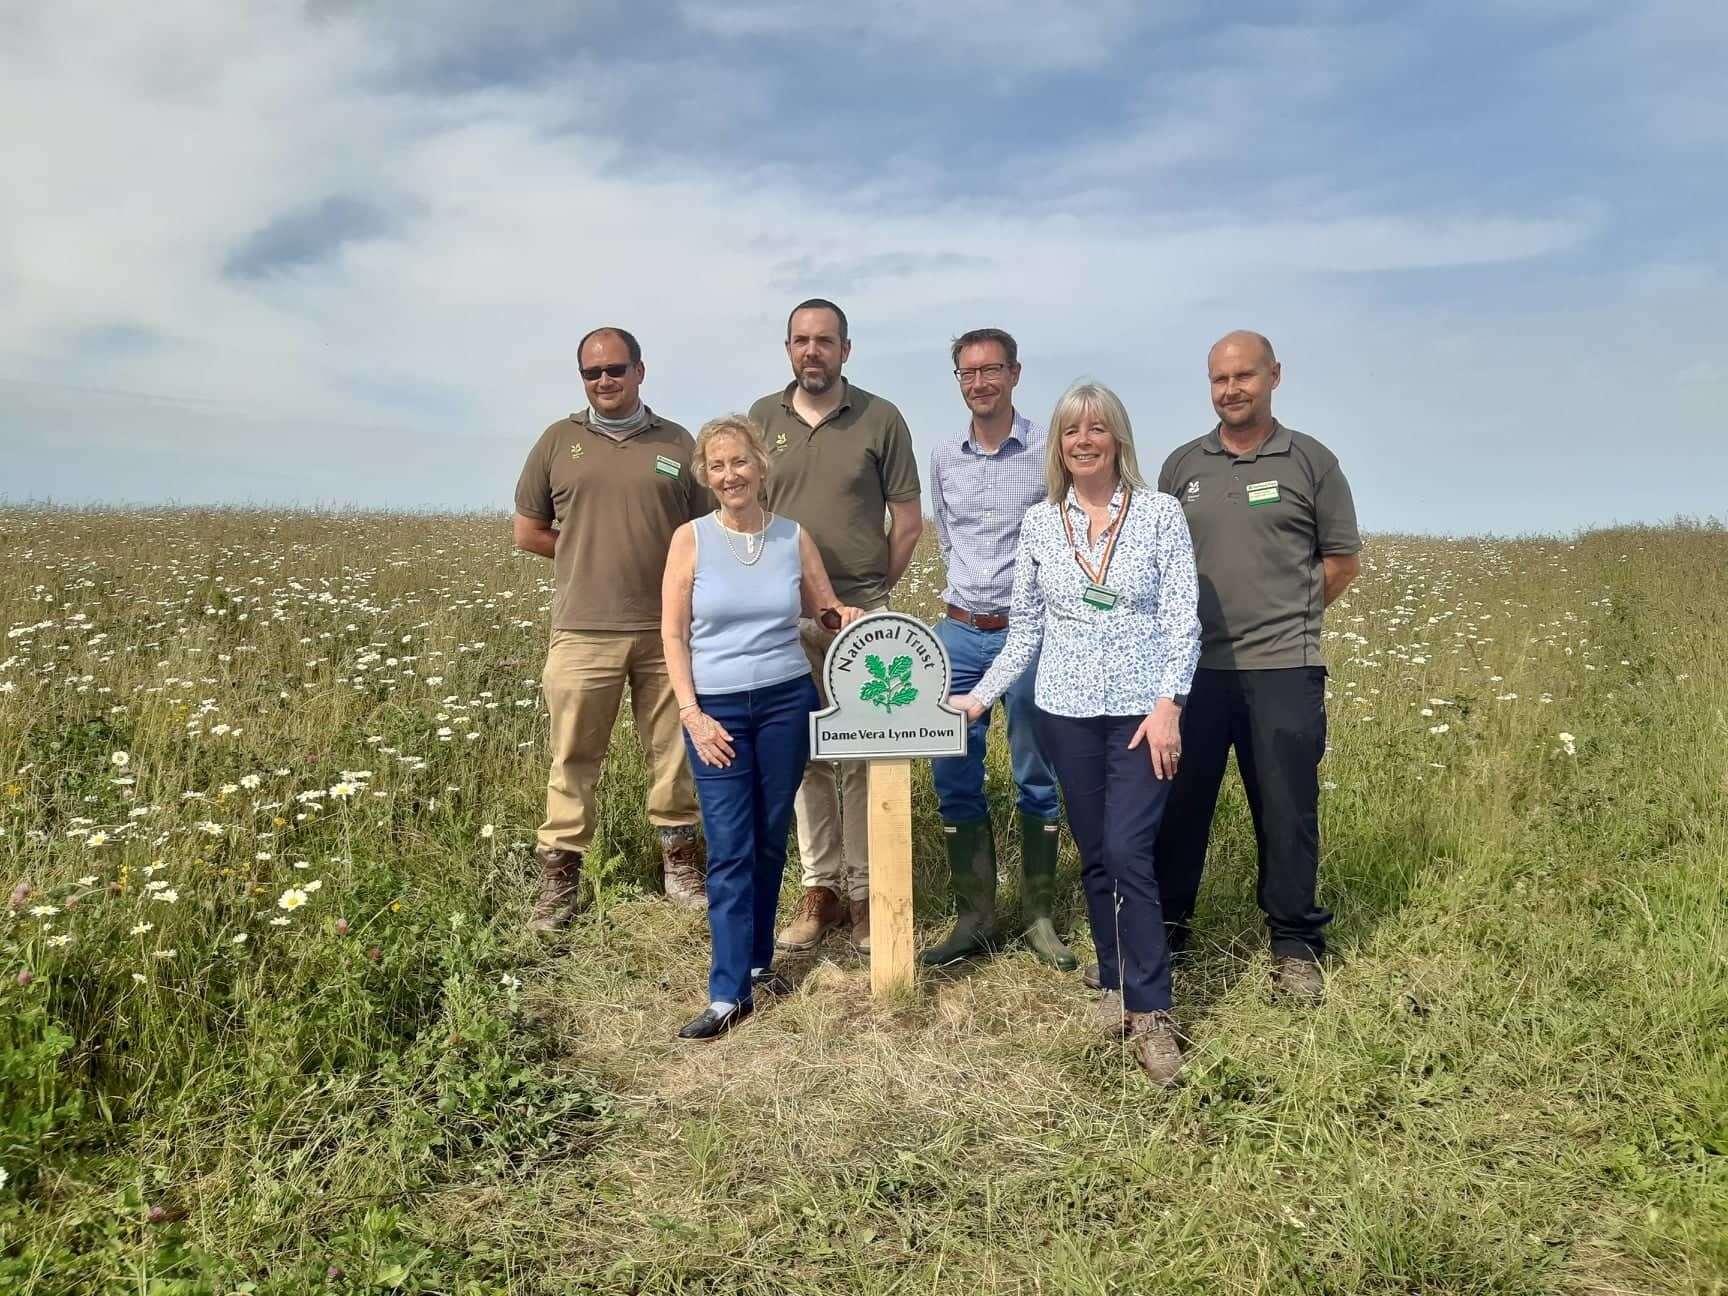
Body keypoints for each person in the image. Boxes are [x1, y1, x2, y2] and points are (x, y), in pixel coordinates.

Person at [951, 380, 1200, 1088]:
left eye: (1096, 429)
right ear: (1058, 446)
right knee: (1095, 853)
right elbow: (1026, 628)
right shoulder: (1040, 525)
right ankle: (1114, 983)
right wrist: (980, 698)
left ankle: (1153, 1014)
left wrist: (1168, 705)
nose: (1083, 441)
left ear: (1118, 437)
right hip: (1065, 711)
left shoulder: (1159, 516)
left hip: (1140, 715)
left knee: (1129, 852)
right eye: (1070, 432)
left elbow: (1184, 620)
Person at [1153, 331, 1360, 1003]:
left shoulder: (1310, 463)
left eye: (1245, 376)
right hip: (1194, 674)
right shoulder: (1182, 467)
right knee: (1180, 806)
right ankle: (1166, 932)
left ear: (1274, 376)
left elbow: (1341, 561)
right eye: (1220, 379)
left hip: (1283, 667)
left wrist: (1286, 620)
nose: (1232, 389)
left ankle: (1295, 944)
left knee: (1286, 807)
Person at [661, 415, 863, 1039]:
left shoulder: (792, 537)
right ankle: (726, 992)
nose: (730, 475)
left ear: (761, 466)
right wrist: (692, 715)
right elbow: (671, 633)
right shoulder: (689, 540)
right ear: (705, 475)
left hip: (784, 704)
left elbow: (821, 605)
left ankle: (756, 961)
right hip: (716, 711)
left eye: (740, 462)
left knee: (772, 838)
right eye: (717, 466)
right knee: (729, 847)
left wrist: (840, 614)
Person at [513, 326, 711, 932]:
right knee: (573, 755)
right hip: (582, 629)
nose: (604, 381)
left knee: (676, 751)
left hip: (666, 632)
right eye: (592, 373)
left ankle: (679, 861)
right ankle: (561, 877)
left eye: (615, 370)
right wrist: (584, 557)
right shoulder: (557, 441)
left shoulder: (677, 442)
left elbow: (705, 536)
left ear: (640, 372)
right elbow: (529, 532)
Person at [748, 299, 923, 955]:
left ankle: (866, 892)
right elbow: (746, 515)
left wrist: (876, 594)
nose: (812, 350)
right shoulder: (763, 420)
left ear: (846, 349)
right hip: (783, 620)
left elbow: (906, 522)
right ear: (788, 347)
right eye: (801, 340)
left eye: (825, 340)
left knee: (864, 757)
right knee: (806, 758)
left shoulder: (881, 418)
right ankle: (819, 891)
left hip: (861, 617)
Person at [923, 328, 1070, 969]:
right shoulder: (944, 453)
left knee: (1036, 772)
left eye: (991, 371)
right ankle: (974, 917)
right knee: (952, 772)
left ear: (1014, 373)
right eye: (967, 373)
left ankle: (1038, 916)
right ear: (958, 380)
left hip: (1031, 630)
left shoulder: (1047, 449)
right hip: (958, 630)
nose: (979, 383)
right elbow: (947, 534)